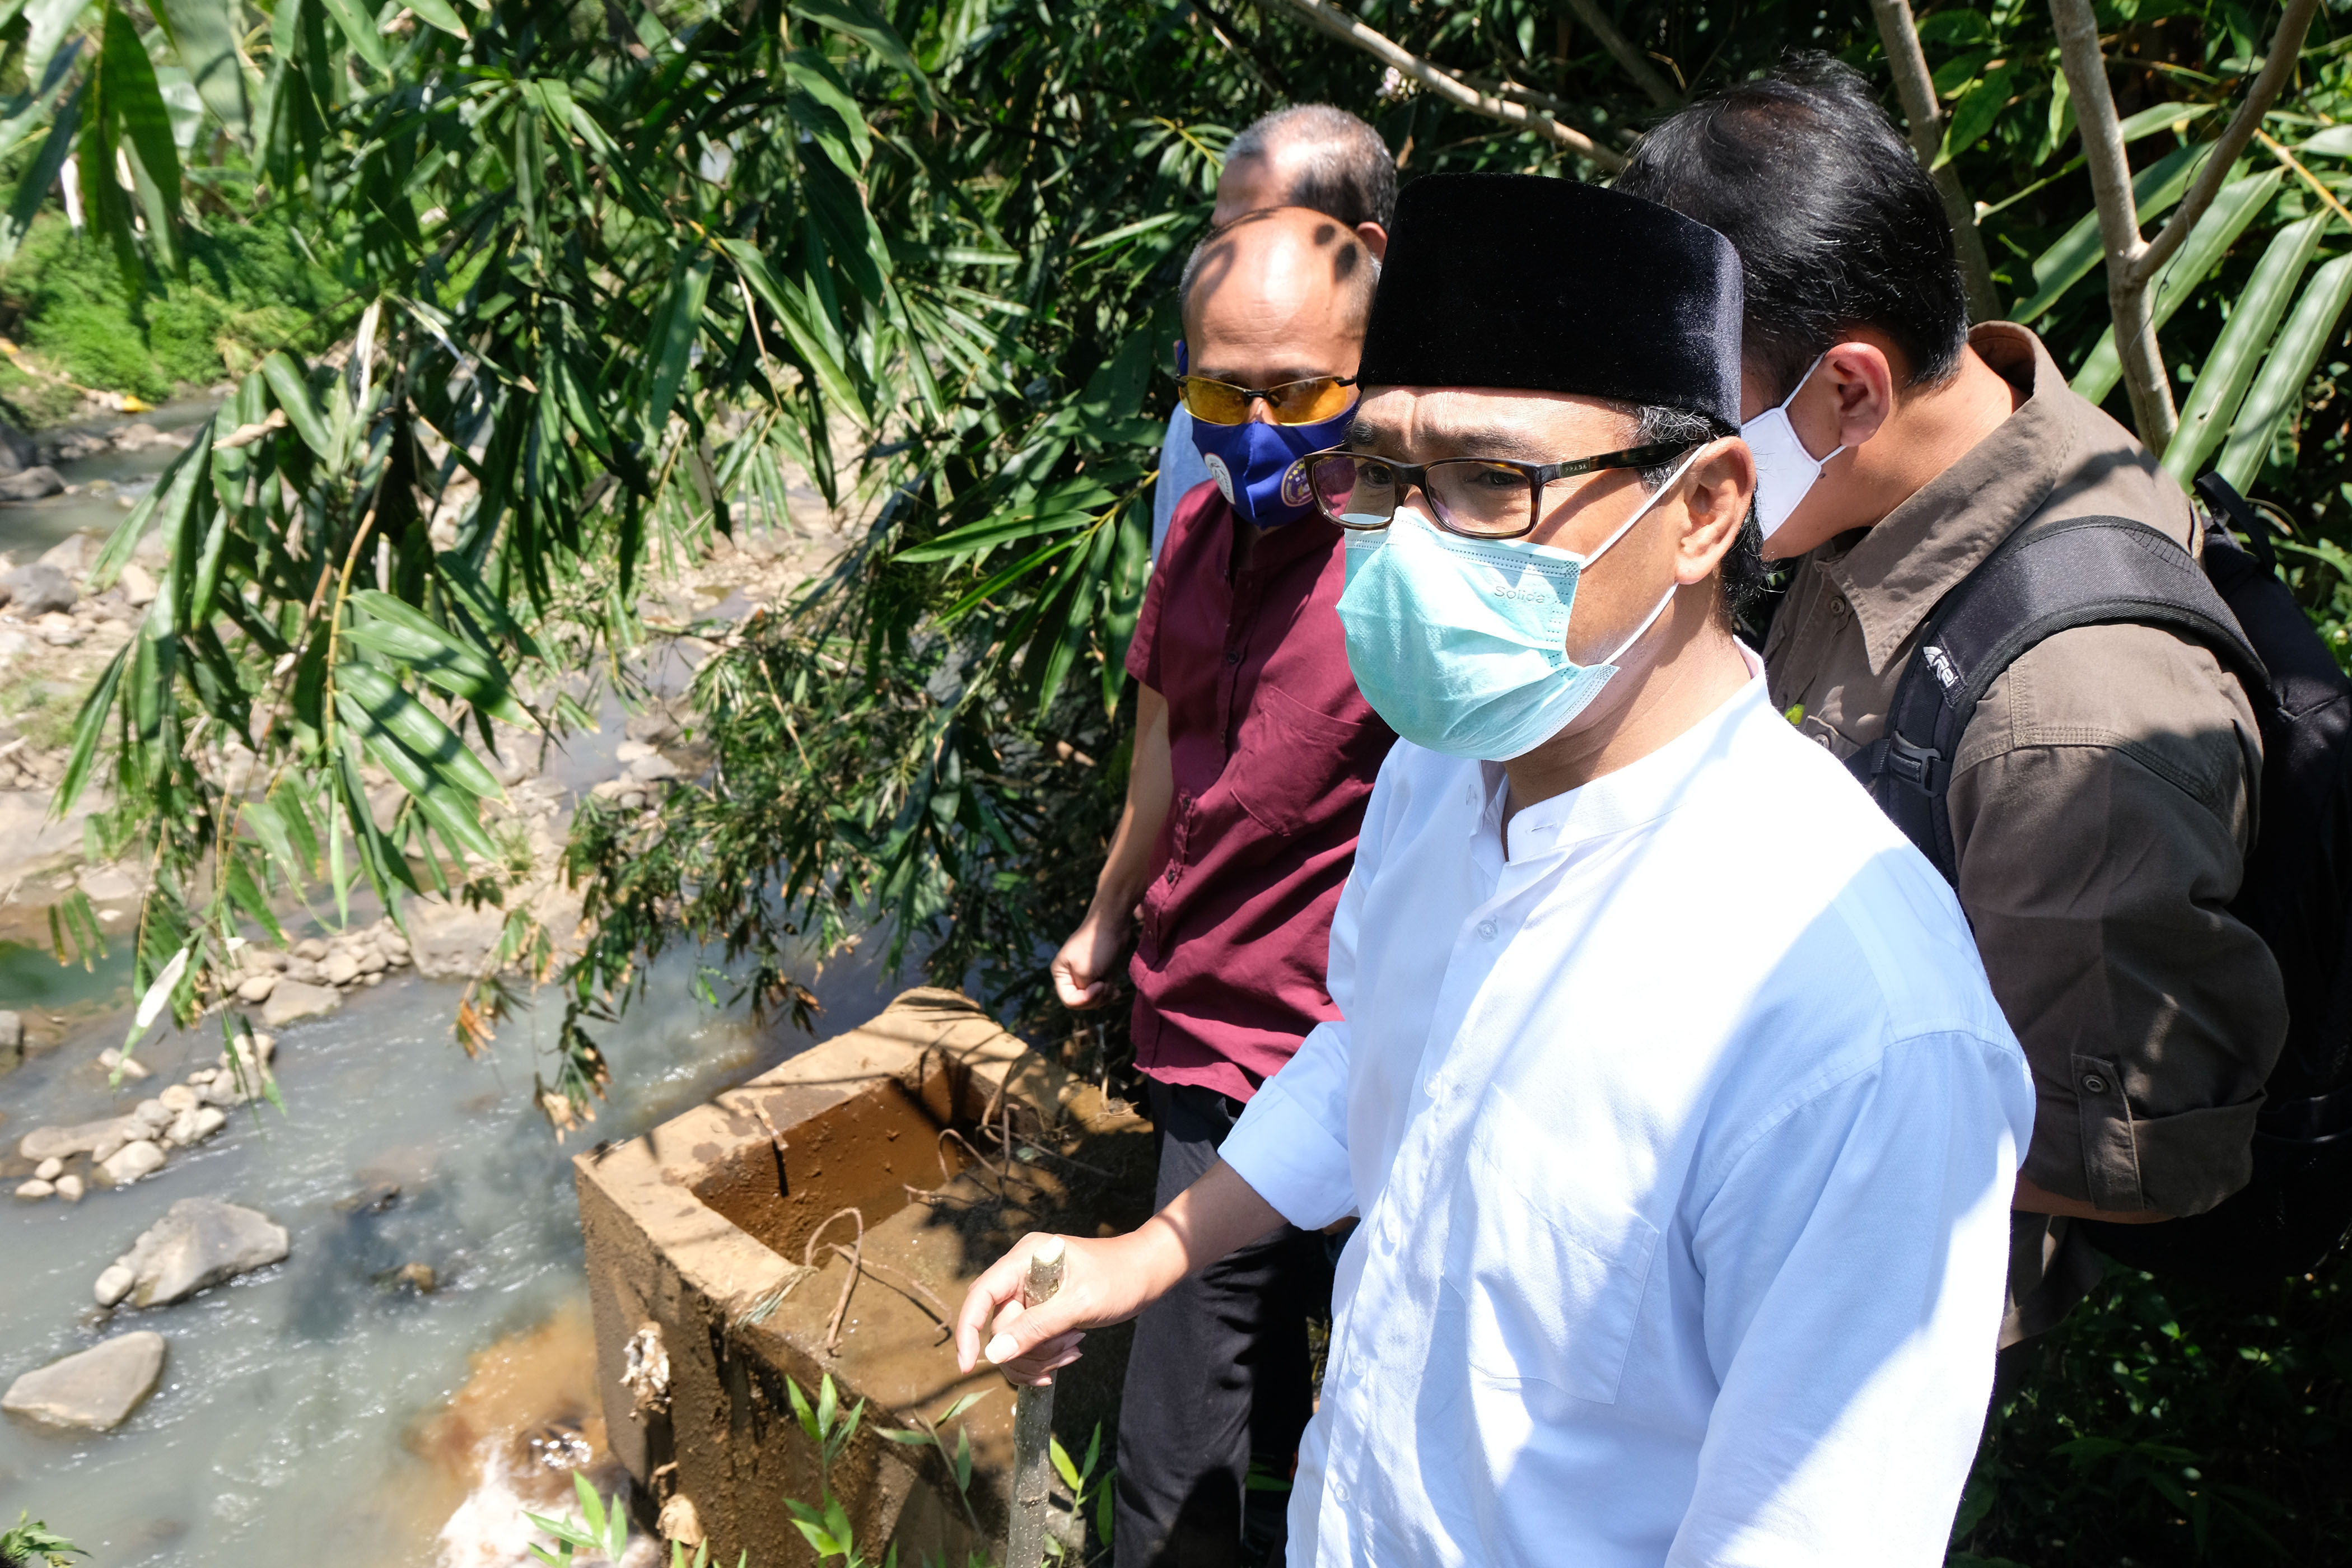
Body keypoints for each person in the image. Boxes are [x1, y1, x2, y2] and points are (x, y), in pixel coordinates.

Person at [978, 174, 2034, 1567]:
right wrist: (1151, 1253)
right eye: (1389, 475)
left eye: (1492, 482)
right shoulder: (1440, 770)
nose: (1412, 541)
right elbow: (1368, 1049)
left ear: (1707, 506)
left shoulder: (1858, 1029)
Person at [1614, 57, 2289, 1356]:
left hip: (1888, 1318)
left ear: (1851, 389)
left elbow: (2127, 1155)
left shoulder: (2072, 718)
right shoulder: (1890, 487)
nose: (1674, 466)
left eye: (1696, 416)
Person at [1051, 204, 1392, 1566]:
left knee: (1246, 1451)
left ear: (1371, 371)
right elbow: (1165, 745)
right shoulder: (1197, 528)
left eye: (1297, 393)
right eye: (1219, 391)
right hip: (1200, 1041)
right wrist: (1107, 909)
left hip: (1335, 1064)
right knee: (1198, 1444)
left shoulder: (1410, 577)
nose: (1255, 428)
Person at [1154, 105, 1396, 561]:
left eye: (1260, 227)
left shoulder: (1435, 477)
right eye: (1218, 236)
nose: (1222, 261)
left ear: (1366, 253)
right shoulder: (1197, 423)